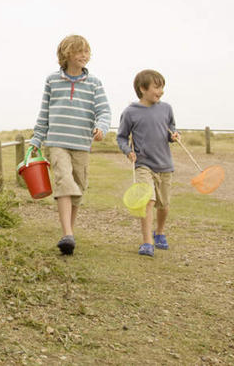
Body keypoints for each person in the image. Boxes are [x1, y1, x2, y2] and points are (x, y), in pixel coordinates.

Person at [30, 35, 111, 255]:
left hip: (81, 143)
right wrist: (37, 139)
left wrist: (101, 128)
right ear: (66, 54)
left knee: (77, 188)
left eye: (87, 52)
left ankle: (69, 234)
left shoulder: (94, 83)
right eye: (79, 51)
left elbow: (104, 111)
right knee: (64, 182)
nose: (84, 56)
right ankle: (67, 233)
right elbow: (44, 113)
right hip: (57, 142)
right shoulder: (52, 81)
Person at [116, 69, 180, 257]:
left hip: (165, 164)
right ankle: (147, 242)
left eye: (162, 88)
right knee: (148, 201)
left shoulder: (166, 108)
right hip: (143, 164)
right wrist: (128, 151)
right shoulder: (130, 112)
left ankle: (159, 233)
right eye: (157, 87)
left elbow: (172, 129)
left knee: (164, 204)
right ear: (143, 89)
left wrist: (175, 136)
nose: (160, 92)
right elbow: (121, 137)